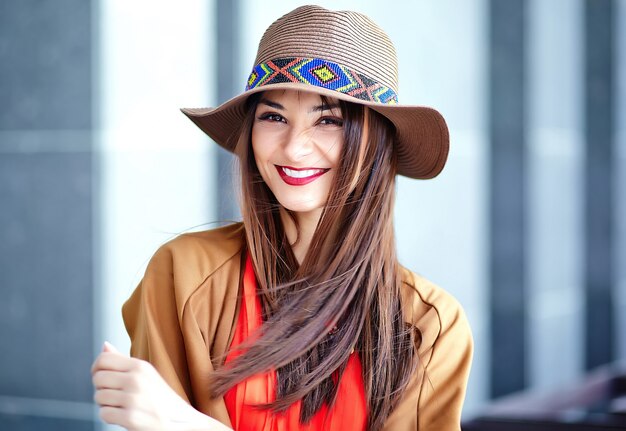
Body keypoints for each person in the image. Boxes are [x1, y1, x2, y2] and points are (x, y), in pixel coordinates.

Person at [91, 5, 473, 431]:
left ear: (377, 141)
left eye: (328, 120)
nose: (294, 149)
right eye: (273, 117)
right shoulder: (184, 275)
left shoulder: (427, 324)